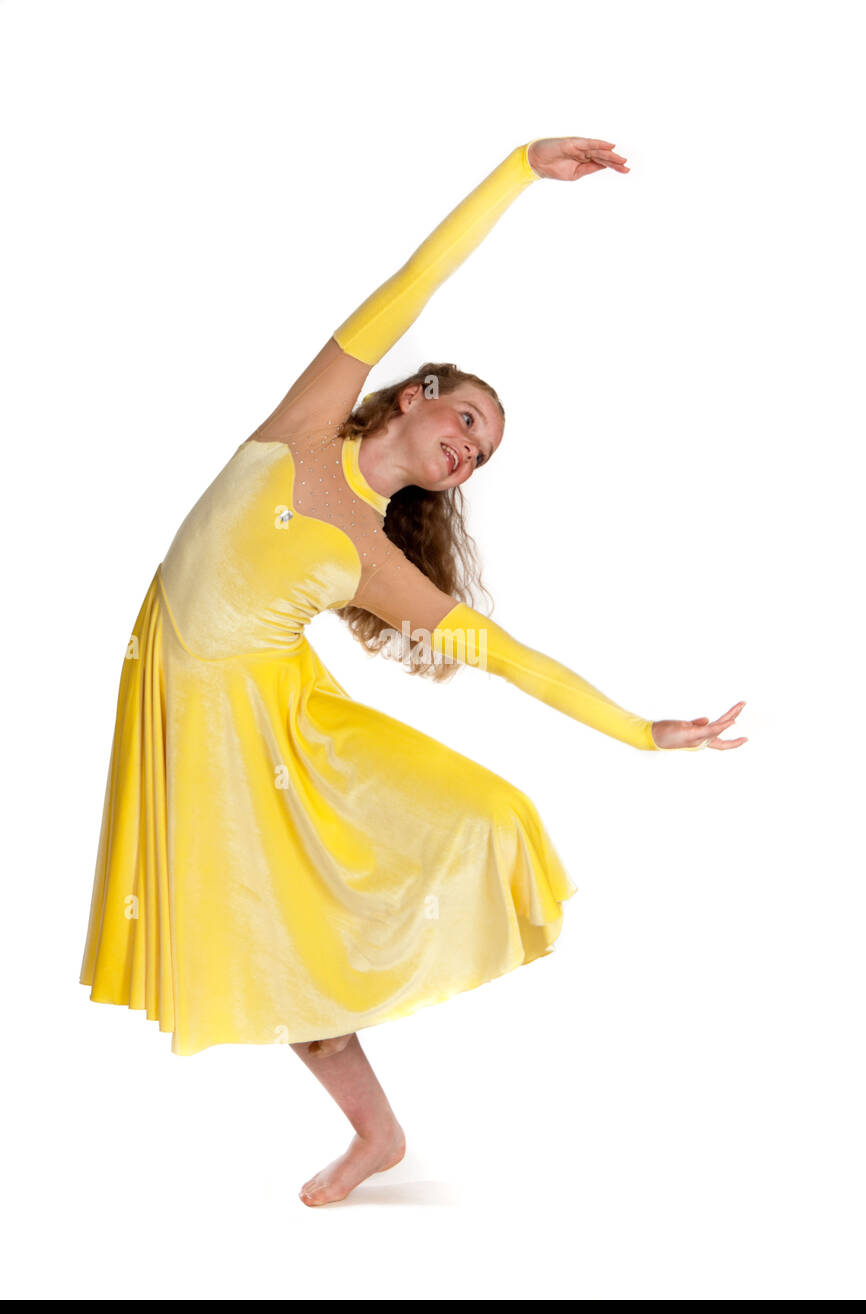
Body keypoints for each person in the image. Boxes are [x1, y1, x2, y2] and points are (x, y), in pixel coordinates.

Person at [80, 135, 747, 1207]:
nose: (468, 451)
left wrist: (639, 731)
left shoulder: (380, 560)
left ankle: (375, 1132)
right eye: (467, 421)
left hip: (259, 723)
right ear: (416, 394)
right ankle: (377, 1133)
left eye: (482, 454)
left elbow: (511, 661)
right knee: (256, 932)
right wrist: (520, 168)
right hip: (184, 702)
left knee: (329, 910)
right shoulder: (306, 419)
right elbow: (419, 276)